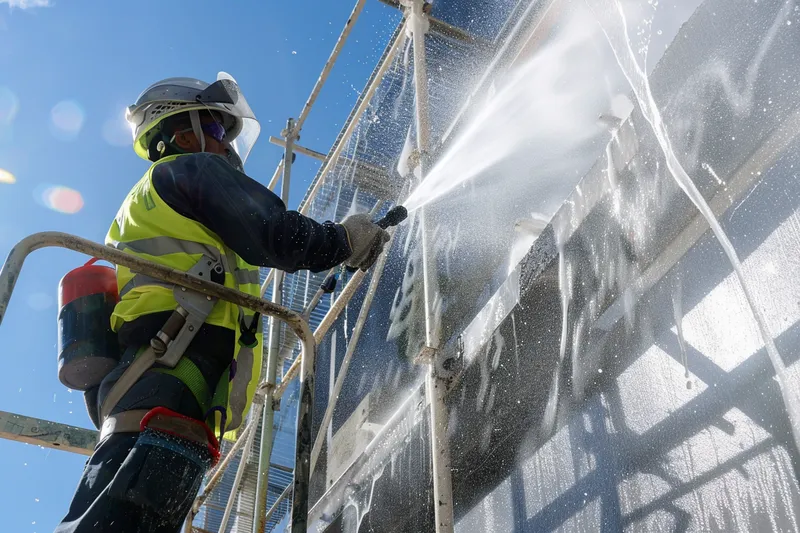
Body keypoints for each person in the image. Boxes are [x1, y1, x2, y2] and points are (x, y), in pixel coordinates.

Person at [55, 75, 390, 533]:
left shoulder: (150, 203)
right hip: (169, 388)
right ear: (183, 132)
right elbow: (275, 235)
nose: (225, 148)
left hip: (150, 391)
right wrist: (342, 240)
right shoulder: (187, 170)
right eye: (216, 131)